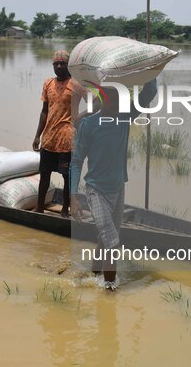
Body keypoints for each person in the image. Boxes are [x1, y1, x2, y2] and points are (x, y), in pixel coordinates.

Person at [70, 78, 158, 291]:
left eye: (119, 98)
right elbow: (76, 161)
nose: (117, 103)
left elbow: (149, 93)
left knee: (104, 238)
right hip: (96, 191)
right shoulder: (89, 125)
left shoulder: (124, 118)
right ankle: (110, 290)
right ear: (103, 99)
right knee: (112, 241)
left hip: (118, 189)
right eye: (112, 98)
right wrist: (72, 197)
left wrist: (151, 70)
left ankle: (94, 274)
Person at [32, 50, 86, 217]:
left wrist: (80, 117)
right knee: (44, 175)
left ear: (68, 66)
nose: (59, 66)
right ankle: (39, 207)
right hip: (49, 138)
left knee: (67, 177)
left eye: (62, 63)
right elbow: (44, 111)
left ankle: (64, 210)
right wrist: (37, 135)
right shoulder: (48, 84)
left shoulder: (76, 84)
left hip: (67, 140)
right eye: (56, 64)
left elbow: (95, 103)